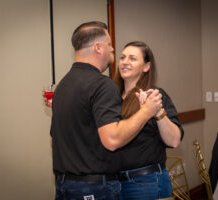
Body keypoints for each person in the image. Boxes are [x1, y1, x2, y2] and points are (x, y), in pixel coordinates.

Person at [50, 22, 163, 200]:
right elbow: (112, 140)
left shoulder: (62, 87)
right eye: (109, 44)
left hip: (64, 186)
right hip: (94, 189)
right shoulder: (102, 85)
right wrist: (146, 111)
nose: (112, 49)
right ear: (98, 47)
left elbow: (53, 141)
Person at [114, 41, 184, 200]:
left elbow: (174, 140)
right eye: (122, 57)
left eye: (132, 58)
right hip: (113, 183)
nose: (125, 62)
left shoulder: (156, 96)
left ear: (146, 66)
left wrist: (157, 111)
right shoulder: (111, 97)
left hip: (146, 183)